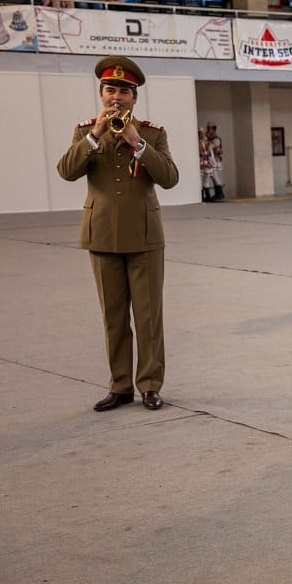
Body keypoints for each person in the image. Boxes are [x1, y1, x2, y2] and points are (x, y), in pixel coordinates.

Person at [57, 56, 180, 412]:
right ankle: (120, 385)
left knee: (147, 317)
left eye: (124, 91)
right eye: (111, 90)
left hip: (143, 236)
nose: (117, 97)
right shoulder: (84, 131)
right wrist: (96, 135)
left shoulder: (153, 133)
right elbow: (66, 171)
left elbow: (170, 178)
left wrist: (138, 143)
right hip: (102, 236)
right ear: (101, 95)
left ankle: (150, 385)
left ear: (134, 98)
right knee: (113, 317)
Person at [206, 122, 225, 200]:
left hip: (215, 160)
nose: (208, 130)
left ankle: (220, 193)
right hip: (211, 159)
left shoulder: (216, 138)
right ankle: (218, 193)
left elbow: (212, 147)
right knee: (213, 176)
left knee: (215, 176)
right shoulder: (210, 138)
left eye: (209, 128)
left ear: (213, 129)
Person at [198, 127, 217, 202]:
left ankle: (208, 196)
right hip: (202, 162)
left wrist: (211, 162)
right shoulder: (198, 143)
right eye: (200, 133)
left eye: (202, 133)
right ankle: (202, 195)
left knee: (206, 179)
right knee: (201, 180)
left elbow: (210, 152)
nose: (202, 135)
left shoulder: (206, 142)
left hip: (207, 161)